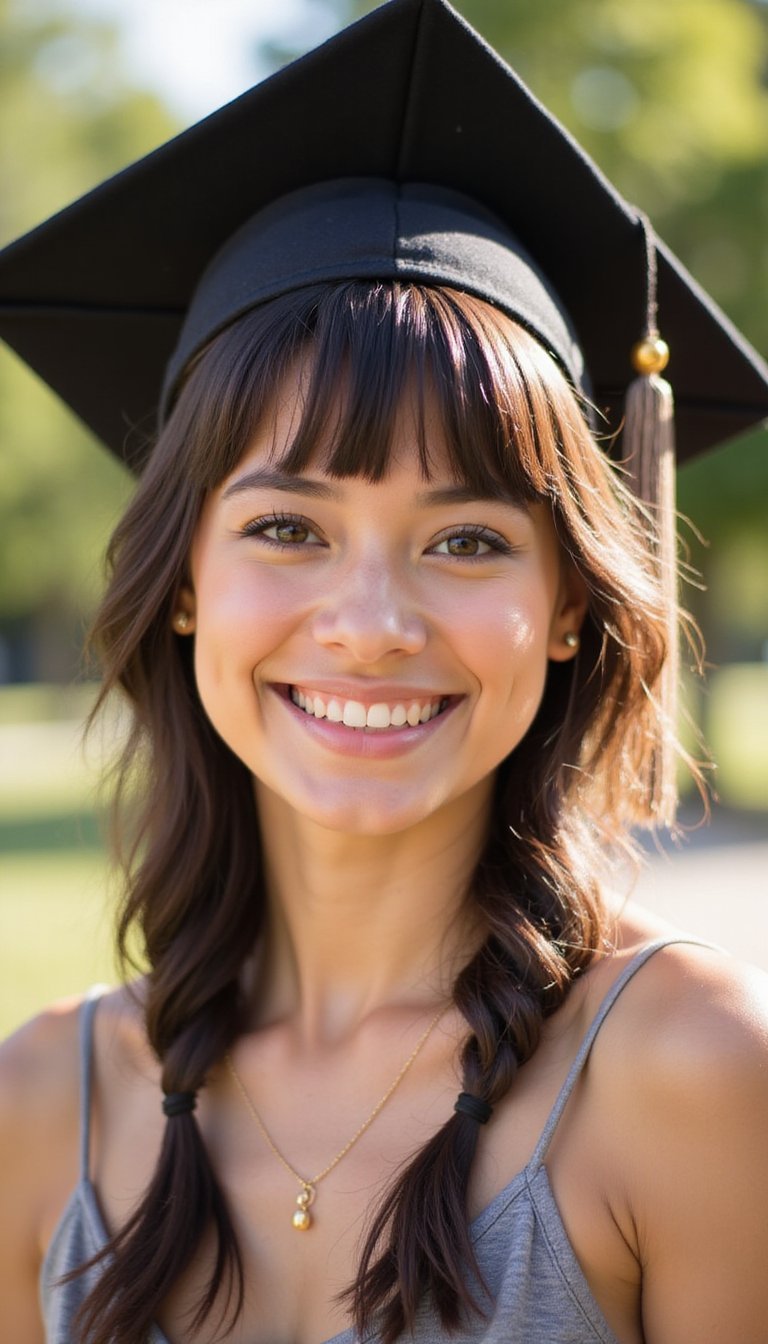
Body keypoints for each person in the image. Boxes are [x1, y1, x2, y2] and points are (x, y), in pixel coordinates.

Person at [1, 2, 767, 1342]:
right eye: (286, 529)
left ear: (569, 604)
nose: (370, 625)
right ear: (183, 582)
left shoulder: (688, 1076)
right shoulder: (43, 1104)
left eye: (467, 541)